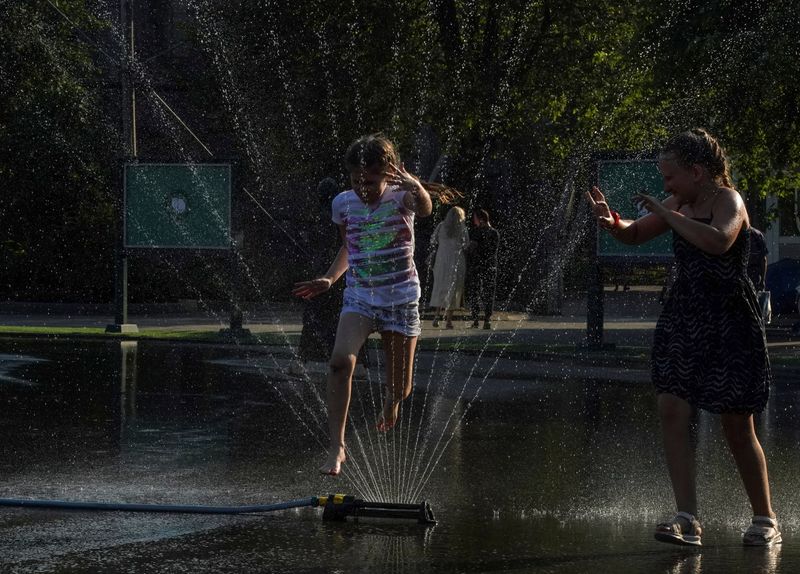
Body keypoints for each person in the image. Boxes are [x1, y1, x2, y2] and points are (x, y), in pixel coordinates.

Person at [586, 128, 780, 547]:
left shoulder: (729, 200)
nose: (666, 186)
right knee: (672, 407)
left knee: (735, 424)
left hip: (729, 321)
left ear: (697, 172)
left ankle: (765, 518)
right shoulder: (680, 202)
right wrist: (613, 222)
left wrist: (670, 213)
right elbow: (636, 233)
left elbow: (718, 241)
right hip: (684, 316)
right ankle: (687, 518)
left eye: (670, 178)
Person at [293, 134, 456, 476]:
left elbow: (425, 208)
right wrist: (329, 278)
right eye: (356, 181)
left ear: (388, 174)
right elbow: (350, 247)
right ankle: (337, 446)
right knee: (339, 363)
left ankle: (392, 400)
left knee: (401, 387)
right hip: (360, 297)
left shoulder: (402, 197)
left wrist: (416, 186)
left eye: (369, 182)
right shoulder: (343, 204)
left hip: (400, 298)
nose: (362, 189)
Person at [428, 206, 469, 328]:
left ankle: (436, 317)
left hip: (441, 260)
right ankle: (449, 321)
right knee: (453, 289)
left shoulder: (441, 226)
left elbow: (432, 240)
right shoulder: (462, 228)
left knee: (440, 287)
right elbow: (465, 244)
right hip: (456, 259)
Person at [465, 208, 500, 329]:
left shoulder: (476, 232)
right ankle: (487, 319)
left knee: (475, 292)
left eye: (475, 218)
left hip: (477, 265)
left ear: (480, 219)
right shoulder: (494, 233)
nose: (473, 221)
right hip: (491, 265)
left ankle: (475, 320)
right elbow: (493, 251)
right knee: (489, 292)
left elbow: (471, 249)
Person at [747, 227, 771, 323]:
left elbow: (763, 260)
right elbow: (763, 260)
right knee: (755, 310)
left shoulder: (735, 233)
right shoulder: (757, 235)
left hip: (745, 275)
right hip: (754, 276)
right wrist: (762, 281)